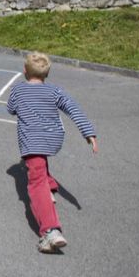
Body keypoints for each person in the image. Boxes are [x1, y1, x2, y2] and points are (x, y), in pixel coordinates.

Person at [6, 53, 97, 253]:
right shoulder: (54, 90)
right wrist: (88, 132)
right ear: (47, 73)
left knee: (35, 183)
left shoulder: (18, 90)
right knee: (40, 163)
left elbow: (10, 109)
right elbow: (73, 108)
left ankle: (50, 231)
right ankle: (52, 186)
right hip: (52, 139)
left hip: (33, 141)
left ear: (24, 71)